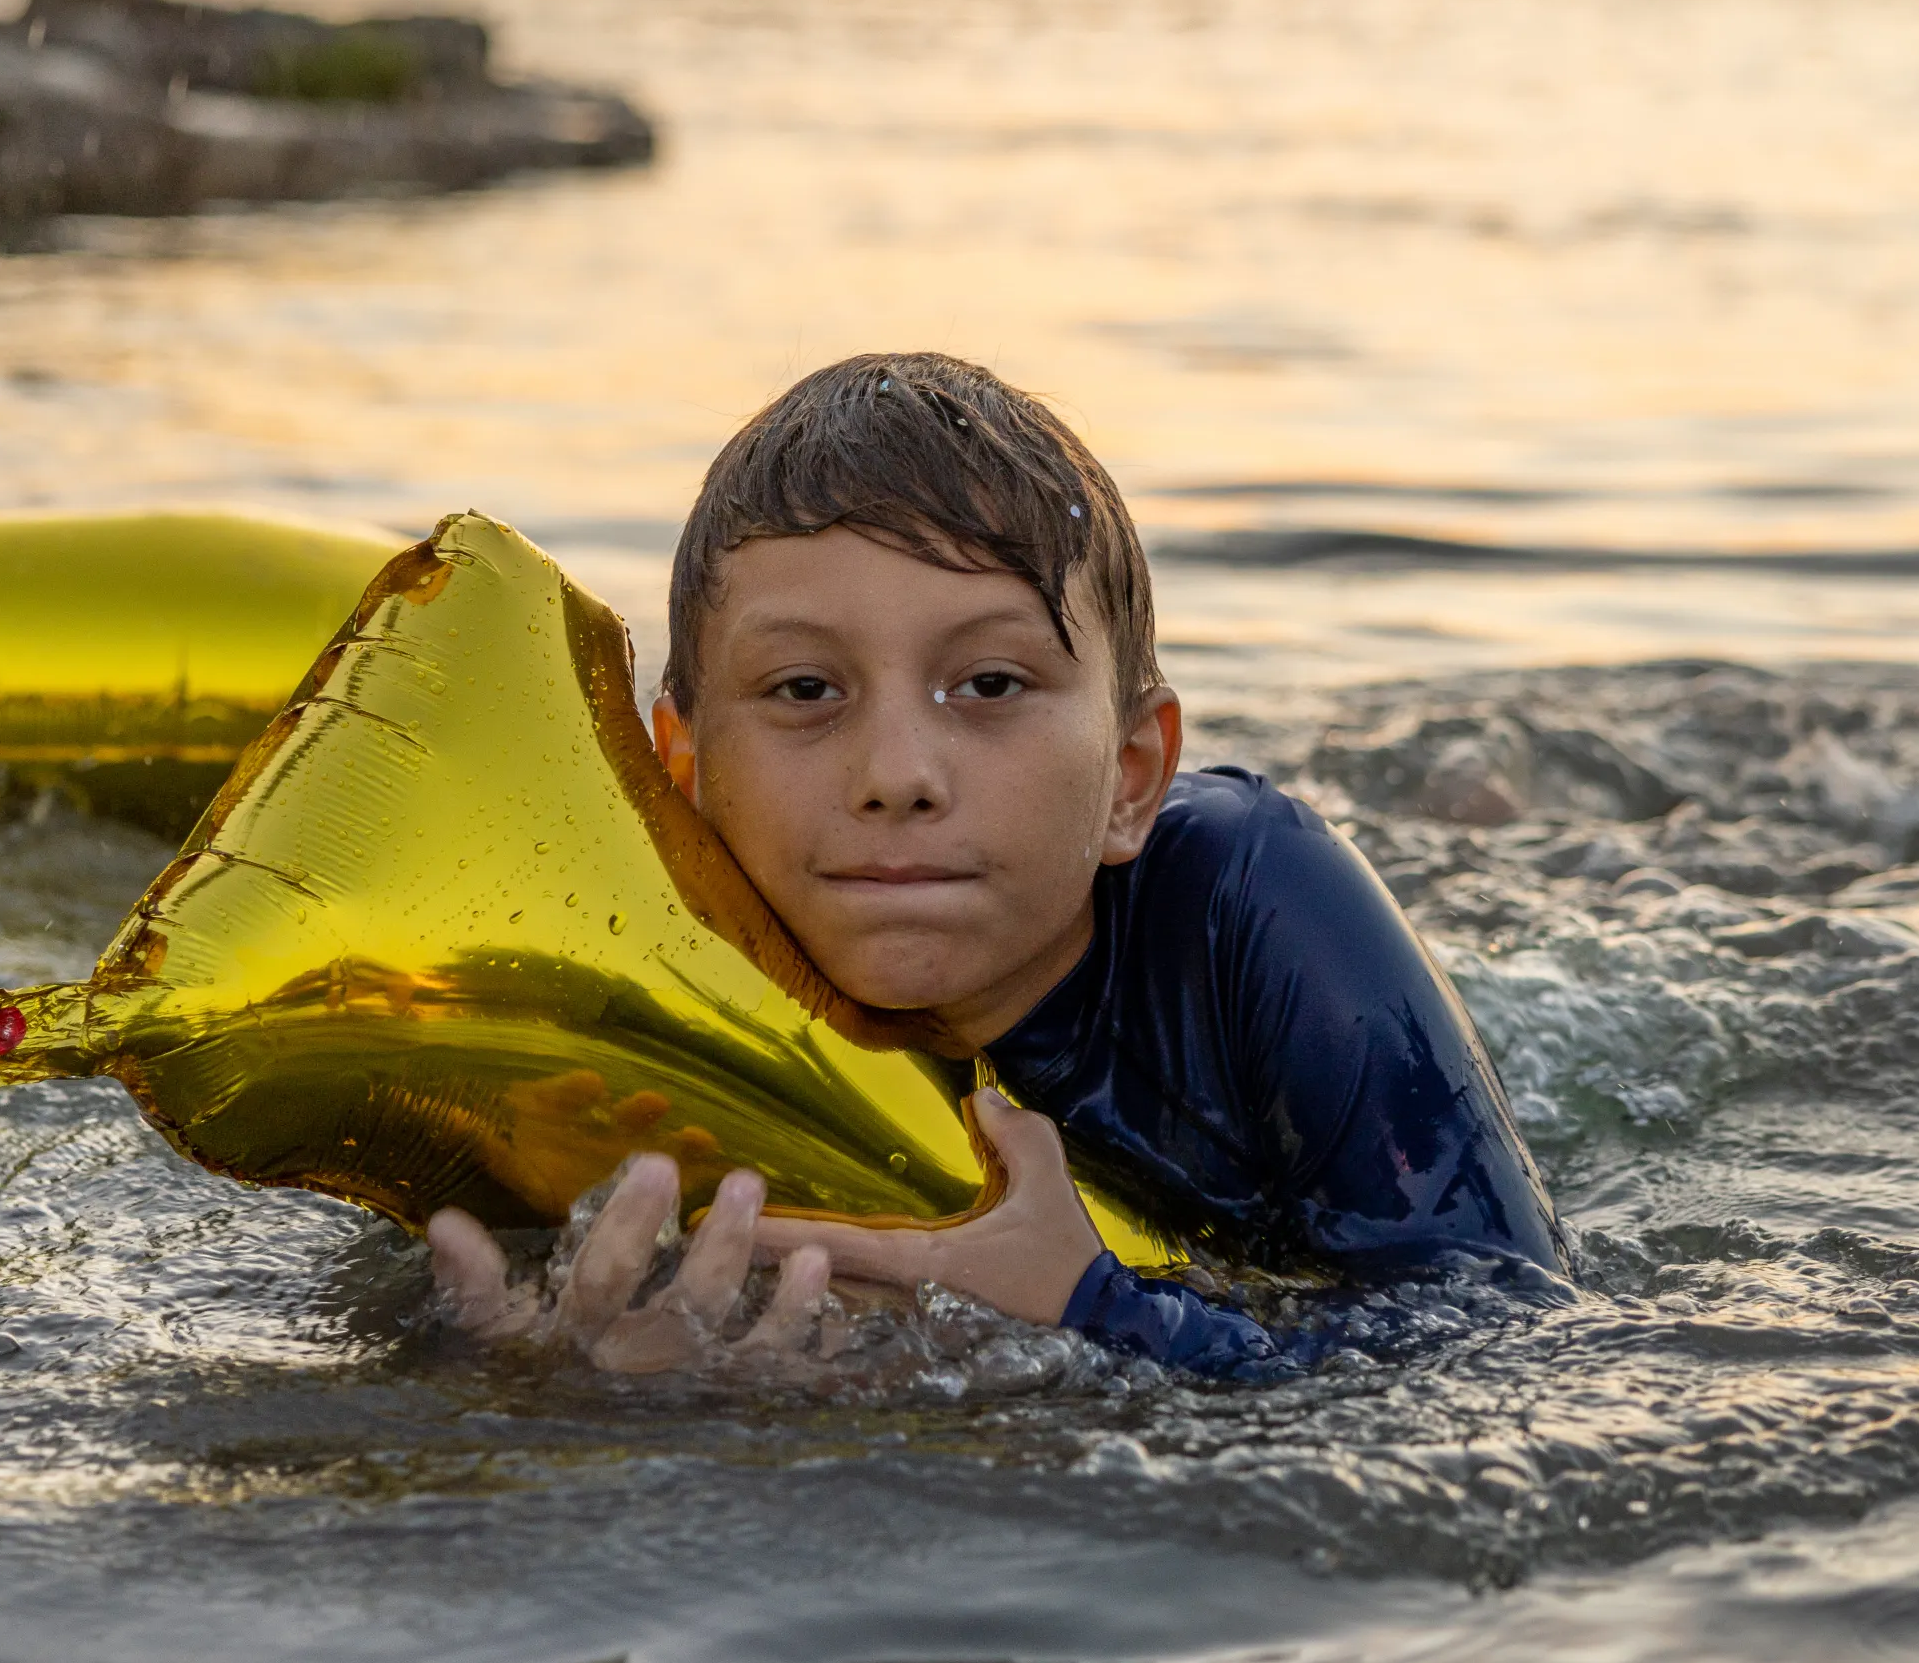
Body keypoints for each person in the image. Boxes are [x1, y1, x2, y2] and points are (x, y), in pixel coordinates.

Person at [427, 352, 1568, 1379]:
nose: (897, 772)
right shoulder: (602, 1014)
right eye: (804, 690)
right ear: (685, 772)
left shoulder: (1245, 905)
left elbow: (1509, 1342)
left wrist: (1099, 1311)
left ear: (1127, 777)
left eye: (987, 685)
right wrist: (547, 1383)